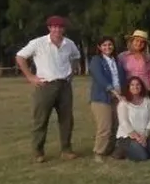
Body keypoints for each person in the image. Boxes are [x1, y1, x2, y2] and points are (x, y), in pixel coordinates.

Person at [15, 15, 82, 163]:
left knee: (66, 120)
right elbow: (20, 57)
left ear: (63, 29)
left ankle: (66, 150)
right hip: (45, 85)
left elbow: (76, 56)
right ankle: (38, 152)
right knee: (41, 119)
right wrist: (30, 77)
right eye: (54, 27)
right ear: (49, 28)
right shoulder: (38, 43)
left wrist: (73, 70)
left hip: (64, 85)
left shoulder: (69, 44)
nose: (57, 29)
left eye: (60, 27)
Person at [88, 35, 126, 162]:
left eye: (110, 44)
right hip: (101, 98)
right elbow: (100, 78)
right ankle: (98, 152)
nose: (107, 47)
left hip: (118, 97)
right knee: (105, 127)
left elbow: (122, 78)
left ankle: (109, 149)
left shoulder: (117, 60)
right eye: (104, 45)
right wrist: (113, 91)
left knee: (116, 125)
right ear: (99, 47)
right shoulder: (96, 60)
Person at [115, 77, 150, 162]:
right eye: (132, 85)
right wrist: (137, 138)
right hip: (127, 136)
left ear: (141, 87)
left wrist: (145, 135)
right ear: (128, 87)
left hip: (143, 135)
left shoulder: (146, 100)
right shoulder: (123, 103)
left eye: (138, 84)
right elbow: (124, 122)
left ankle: (141, 148)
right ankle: (122, 151)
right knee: (142, 157)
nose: (135, 87)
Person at [119, 29, 150, 101]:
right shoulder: (122, 56)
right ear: (132, 41)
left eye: (142, 42)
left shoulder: (149, 57)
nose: (139, 43)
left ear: (145, 45)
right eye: (137, 40)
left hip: (145, 90)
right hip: (128, 90)